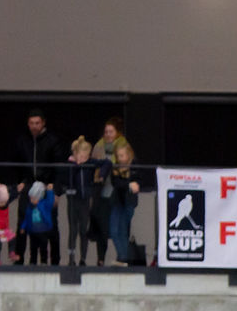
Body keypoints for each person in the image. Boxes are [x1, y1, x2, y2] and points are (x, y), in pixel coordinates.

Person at [10, 108, 66, 263]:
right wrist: (20, 182)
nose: (34, 126)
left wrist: (56, 190)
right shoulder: (23, 141)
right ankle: (19, 259)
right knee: (23, 220)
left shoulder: (52, 141)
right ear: (28, 124)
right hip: (28, 185)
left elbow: (59, 167)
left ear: (43, 123)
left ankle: (55, 261)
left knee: (51, 223)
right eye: (31, 123)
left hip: (47, 187)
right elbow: (16, 164)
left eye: (37, 123)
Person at [101, 142, 144, 266]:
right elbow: (116, 183)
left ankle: (123, 258)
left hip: (129, 202)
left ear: (129, 154)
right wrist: (129, 184)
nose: (120, 158)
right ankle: (122, 256)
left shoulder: (135, 166)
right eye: (118, 156)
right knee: (114, 230)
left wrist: (133, 185)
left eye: (122, 155)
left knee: (123, 230)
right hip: (117, 201)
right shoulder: (115, 167)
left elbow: (139, 182)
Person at [63, 137, 97, 266]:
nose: (84, 159)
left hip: (85, 200)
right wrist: (76, 165)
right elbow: (66, 179)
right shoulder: (70, 165)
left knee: (84, 230)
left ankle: (83, 259)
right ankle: (71, 259)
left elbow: (103, 164)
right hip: (73, 200)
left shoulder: (89, 164)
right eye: (82, 156)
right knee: (73, 230)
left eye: (86, 156)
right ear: (76, 154)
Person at [20, 181, 59, 266]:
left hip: (43, 231)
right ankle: (33, 261)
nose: (32, 200)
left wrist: (49, 191)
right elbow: (27, 218)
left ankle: (43, 261)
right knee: (33, 248)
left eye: (34, 198)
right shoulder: (30, 207)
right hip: (33, 231)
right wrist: (23, 227)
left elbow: (50, 201)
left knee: (43, 248)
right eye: (31, 198)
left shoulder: (44, 204)